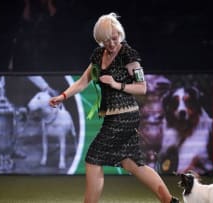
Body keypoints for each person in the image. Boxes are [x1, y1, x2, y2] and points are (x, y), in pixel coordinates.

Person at [49, 13, 179, 203]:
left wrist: (117, 84)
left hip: (125, 116)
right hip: (111, 117)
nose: (111, 43)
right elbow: (84, 81)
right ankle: (169, 200)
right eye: (106, 40)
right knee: (132, 163)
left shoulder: (129, 55)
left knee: (93, 157)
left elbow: (142, 88)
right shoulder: (98, 55)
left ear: (120, 33)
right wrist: (62, 96)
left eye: (114, 38)